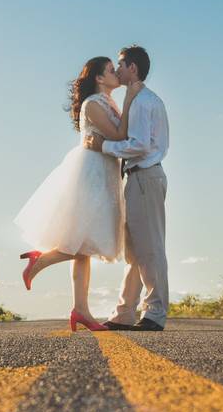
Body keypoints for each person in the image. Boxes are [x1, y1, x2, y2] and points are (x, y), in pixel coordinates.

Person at [15, 56, 142, 332]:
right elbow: (120, 136)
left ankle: (80, 310)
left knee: (84, 246)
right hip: (91, 174)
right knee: (82, 241)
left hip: (105, 172)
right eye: (110, 70)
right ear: (98, 78)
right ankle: (42, 259)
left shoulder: (108, 102)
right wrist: (131, 98)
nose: (115, 74)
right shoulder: (93, 104)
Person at [84, 45, 170, 331]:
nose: (117, 70)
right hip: (136, 179)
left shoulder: (144, 101)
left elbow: (139, 145)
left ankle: (155, 314)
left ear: (132, 68)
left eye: (120, 65)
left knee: (150, 249)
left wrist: (103, 146)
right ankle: (124, 314)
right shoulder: (136, 100)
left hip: (145, 176)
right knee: (135, 252)